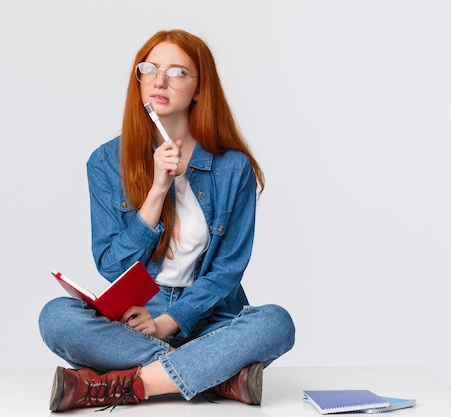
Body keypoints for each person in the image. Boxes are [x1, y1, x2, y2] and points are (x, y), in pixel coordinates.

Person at [38, 29, 295, 412]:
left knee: (276, 323)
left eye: (177, 72)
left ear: (198, 90)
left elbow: (226, 272)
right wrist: (157, 191)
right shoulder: (107, 162)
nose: (159, 80)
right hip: (135, 317)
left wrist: (168, 323)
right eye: (149, 68)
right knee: (56, 317)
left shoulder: (233, 168)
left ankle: (129, 384)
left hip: (208, 317)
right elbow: (112, 264)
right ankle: (217, 376)